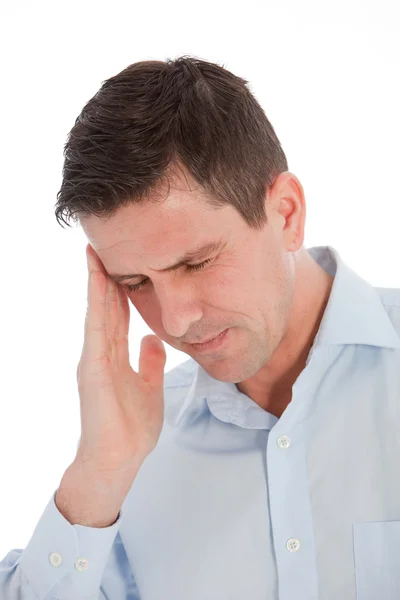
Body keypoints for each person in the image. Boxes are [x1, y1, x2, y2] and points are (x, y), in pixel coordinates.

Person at [1, 56, 399, 600]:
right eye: (136, 280)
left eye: (197, 263)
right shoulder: (132, 458)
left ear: (286, 213)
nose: (176, 319)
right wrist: (100, 471)